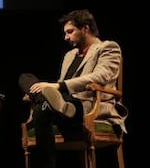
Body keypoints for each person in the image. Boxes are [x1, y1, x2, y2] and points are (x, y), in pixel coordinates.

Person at [18, 9, 128, 168]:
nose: (66, 37)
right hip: (62, 104)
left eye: (70, 32)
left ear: (86, 28)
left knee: (41, 110)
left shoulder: (108, 47)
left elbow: (100, 76)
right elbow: (60, 85)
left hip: (85, 105)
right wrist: (50, 92)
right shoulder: (69, 55)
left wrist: (58, 86)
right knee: (25, 78)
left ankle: (55, 105)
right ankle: (52, 103)